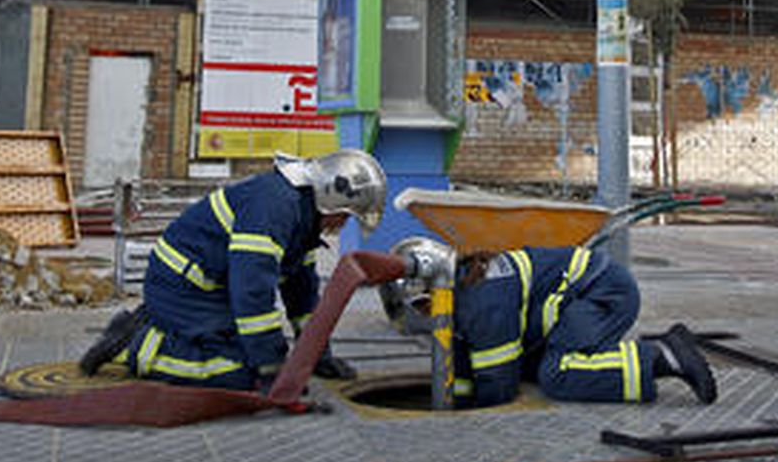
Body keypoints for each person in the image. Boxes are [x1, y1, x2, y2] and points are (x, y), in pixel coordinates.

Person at [78, 149, 388, 389]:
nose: (343, 225)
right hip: (183, 289)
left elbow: (302, 298)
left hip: (212, 289)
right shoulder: (275, 207)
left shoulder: (303, 218)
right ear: (332, 197)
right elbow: (252, 291)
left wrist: (318, 357)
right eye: (347, 216)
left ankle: (160, 330)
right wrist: (269, 366)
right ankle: (136, 346)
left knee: (251, 354)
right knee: (239, 371)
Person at [383, 237, 717, 408]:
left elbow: (498, 385)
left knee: (558, 375)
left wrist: (472, 414)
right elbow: (463, 366)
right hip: (586, 293)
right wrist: (457, 398)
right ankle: (662, 350)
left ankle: (664, 355)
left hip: (602, 294)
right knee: (532, 371)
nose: (426, 321)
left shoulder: (481, 303)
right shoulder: (464, 288)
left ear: (430, 295)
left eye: (423, 310)